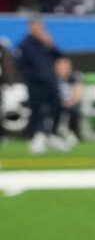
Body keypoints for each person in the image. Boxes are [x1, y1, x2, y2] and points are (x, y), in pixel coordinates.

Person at [20, 17, 64, 154]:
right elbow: (22, 65)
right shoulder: (25, 44)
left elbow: (59, 55)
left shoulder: (46, 43)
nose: (38, 29)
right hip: (35, 83)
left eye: (40, 26)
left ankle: (54, 135)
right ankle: (35, 138)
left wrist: (49, 43)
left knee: (57, 107)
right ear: (29, 27)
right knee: (37, 110)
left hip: (51, 81)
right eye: (35, 26)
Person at [53, 56, 84, 146]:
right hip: (56, 103)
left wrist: (70, 102)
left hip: (70, 103)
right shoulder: (52, 78)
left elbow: (77, 92)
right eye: (60, 67)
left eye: (64, 67)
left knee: (74, 110)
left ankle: (71, 132)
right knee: (54, 110)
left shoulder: (74, 77)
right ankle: (55, 134)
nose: (62, 69)